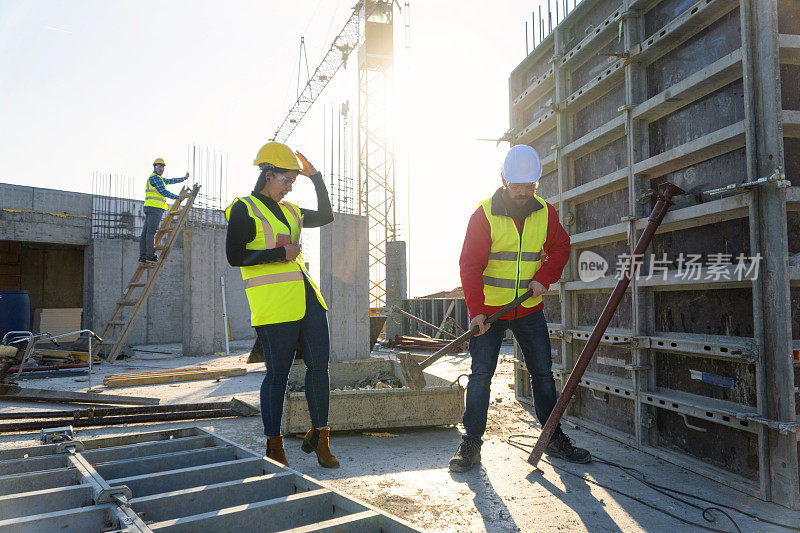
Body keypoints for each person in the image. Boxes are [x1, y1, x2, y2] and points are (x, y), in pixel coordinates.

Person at [450, 144, 591, 473]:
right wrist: (477, 311)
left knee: (543, 374)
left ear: (537, 184)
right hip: (490, 312)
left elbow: (560, 247)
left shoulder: (545, 212)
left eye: (530, 186)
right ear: (503, 180)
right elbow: (470, 265)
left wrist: (545, 277)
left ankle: (552, 437)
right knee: (481, 377)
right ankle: (471, 442)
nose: (523, 193)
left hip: (528, 308)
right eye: (517, 186)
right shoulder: (483, 214)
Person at [225, 141, 337, 468]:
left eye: (294, 182)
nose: (289, 188)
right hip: (274, 305)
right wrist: (279, 254)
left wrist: (316, 178)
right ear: (268, 174)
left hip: (306, 298)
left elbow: (327, 215)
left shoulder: (290, 210)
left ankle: (320, 436)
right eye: (286, 180)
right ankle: (274, 445)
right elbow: (235, 256)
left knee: (320, 367)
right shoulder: (244, 208)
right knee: (278, 374)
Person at [139, 158, 189, 263]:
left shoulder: (157, 178)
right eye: (159, 166)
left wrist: (183, 178)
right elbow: (164, 192)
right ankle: (150, 256)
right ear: (154, 167)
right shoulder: (155, 178)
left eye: (162, 167)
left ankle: (143, 256)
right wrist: (178, 197)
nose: (161, 169)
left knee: (145, 233)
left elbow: (170, 181)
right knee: (150, 233)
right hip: (155, 208)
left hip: (149, 207)